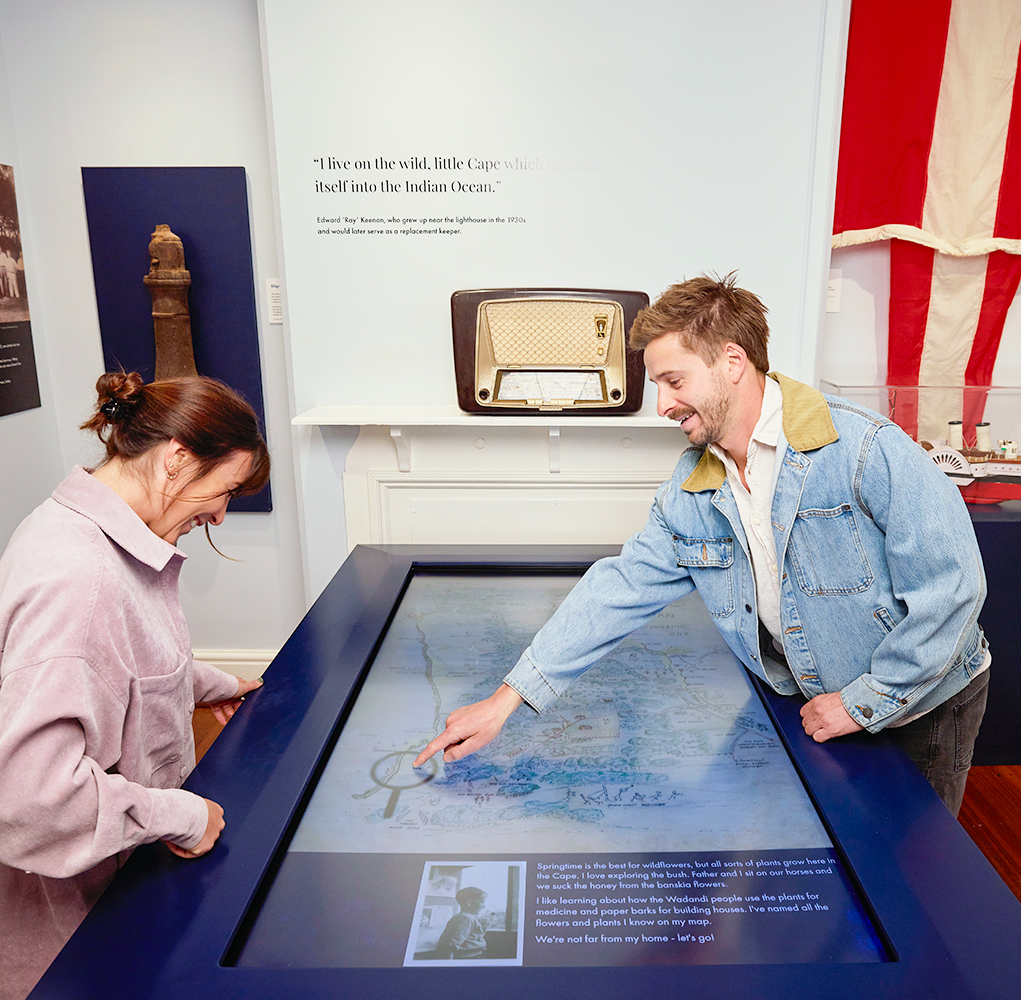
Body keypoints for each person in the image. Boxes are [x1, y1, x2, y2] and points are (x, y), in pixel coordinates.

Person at [416, 274, 990, 813]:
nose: (662, 405)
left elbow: (953, 590)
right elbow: (616, 590)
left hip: (926, 705)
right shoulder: (688, 489)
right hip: (816, 703)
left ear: (732, 363)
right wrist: (506, 700)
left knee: (911, 879)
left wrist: (864, 700)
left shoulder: (866, 448)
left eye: (674, 381)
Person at [0, 372, 271, 1000]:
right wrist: (180, 814)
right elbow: (29, 798)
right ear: (176, 459)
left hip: (113, 890)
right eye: (223, 489)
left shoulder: (81, 527)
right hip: (62, 934)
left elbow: (115, 669)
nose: (219, 514)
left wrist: (205, 683)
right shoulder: (79, 578)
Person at [433, 887, 490, 959]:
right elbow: (451, 946)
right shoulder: (467, 919)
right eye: (482, 902)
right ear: (470, 902)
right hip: (469, 958)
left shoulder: (463, 917)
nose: (484, 906)